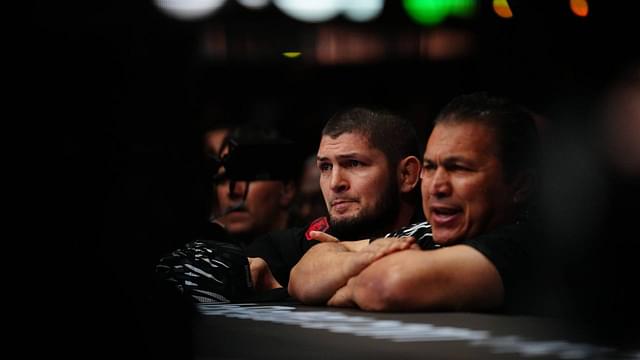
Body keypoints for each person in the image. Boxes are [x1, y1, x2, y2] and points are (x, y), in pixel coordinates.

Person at [289, 92, 540, 314]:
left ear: (520, 185)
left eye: (459, 168)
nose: (437, 186)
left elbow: (387, 284)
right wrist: (355, 261)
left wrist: (345, 286)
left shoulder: (533, 242)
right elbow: (306, 270)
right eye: (430, 167)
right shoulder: (423, 233)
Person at [246, 106, 425, 291]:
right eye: (325, 167)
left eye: (354, 164)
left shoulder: (442, 241)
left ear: (406, 174)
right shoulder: (294, 247)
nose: (334, 183)